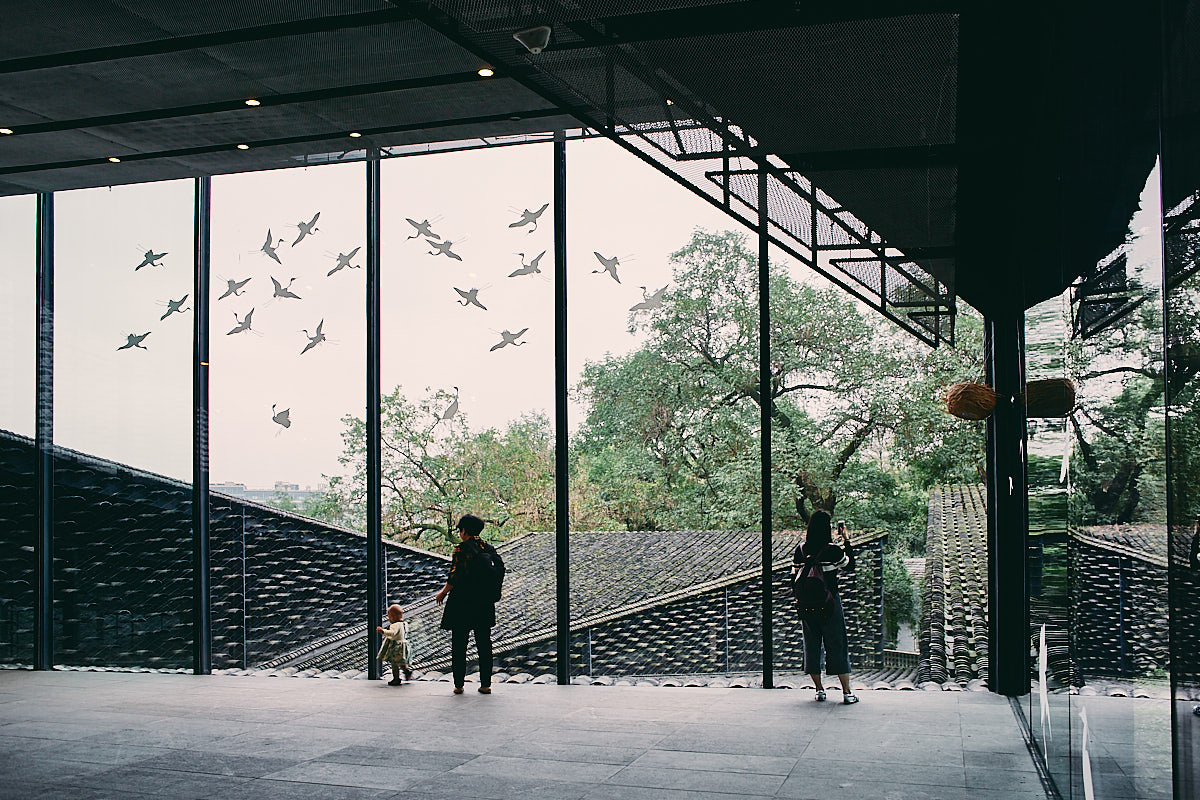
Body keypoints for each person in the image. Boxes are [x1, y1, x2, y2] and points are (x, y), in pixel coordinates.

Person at [793, 511, 859, 704]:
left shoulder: (800, 550)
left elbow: (794, 576)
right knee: (837, 644)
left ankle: (819, 690)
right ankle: (846, 692)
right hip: (830, 603)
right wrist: (846, 540)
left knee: (811, 645)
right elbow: (850, 565)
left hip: (807, 605)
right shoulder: (833, 550)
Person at [435, 514, 498, 695]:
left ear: (463, 531)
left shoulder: (461, 549)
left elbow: (454, 575)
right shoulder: (487, 548)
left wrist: (443, 592)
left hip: (462, 602)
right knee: (484, 644)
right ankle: (486, 684)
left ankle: (459, 684)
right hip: (483, 602)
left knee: (459, 644)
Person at [376, 604, 413, 686]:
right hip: (403, 645)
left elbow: (392, 633)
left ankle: (396, 678)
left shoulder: (394, 625)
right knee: (402, 662)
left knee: (394, 663)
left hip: (396, 646)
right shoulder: (404, 624)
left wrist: (383, 631)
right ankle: (407, 671)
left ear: (393, 616)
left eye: (389, 617)